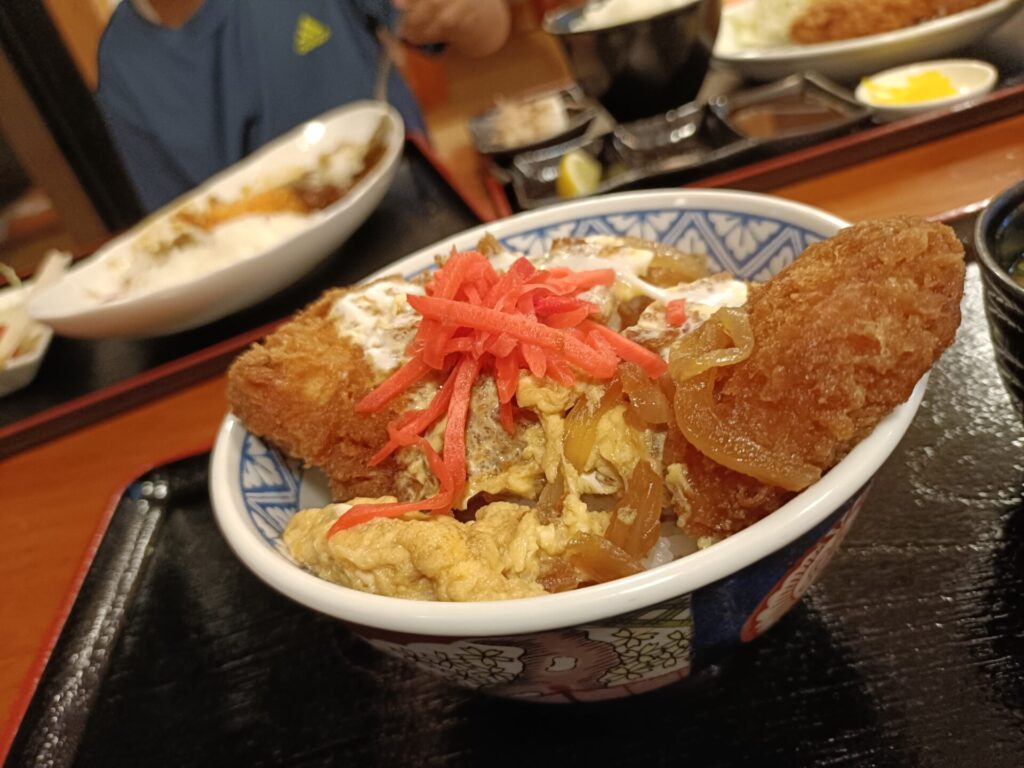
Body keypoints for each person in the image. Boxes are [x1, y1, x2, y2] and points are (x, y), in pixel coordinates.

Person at [96, 0, 510, 212]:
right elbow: (179, 229)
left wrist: (466, 12)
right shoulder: (121, 66)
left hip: (411, 211)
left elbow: (490, 30)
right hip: (266, 301)